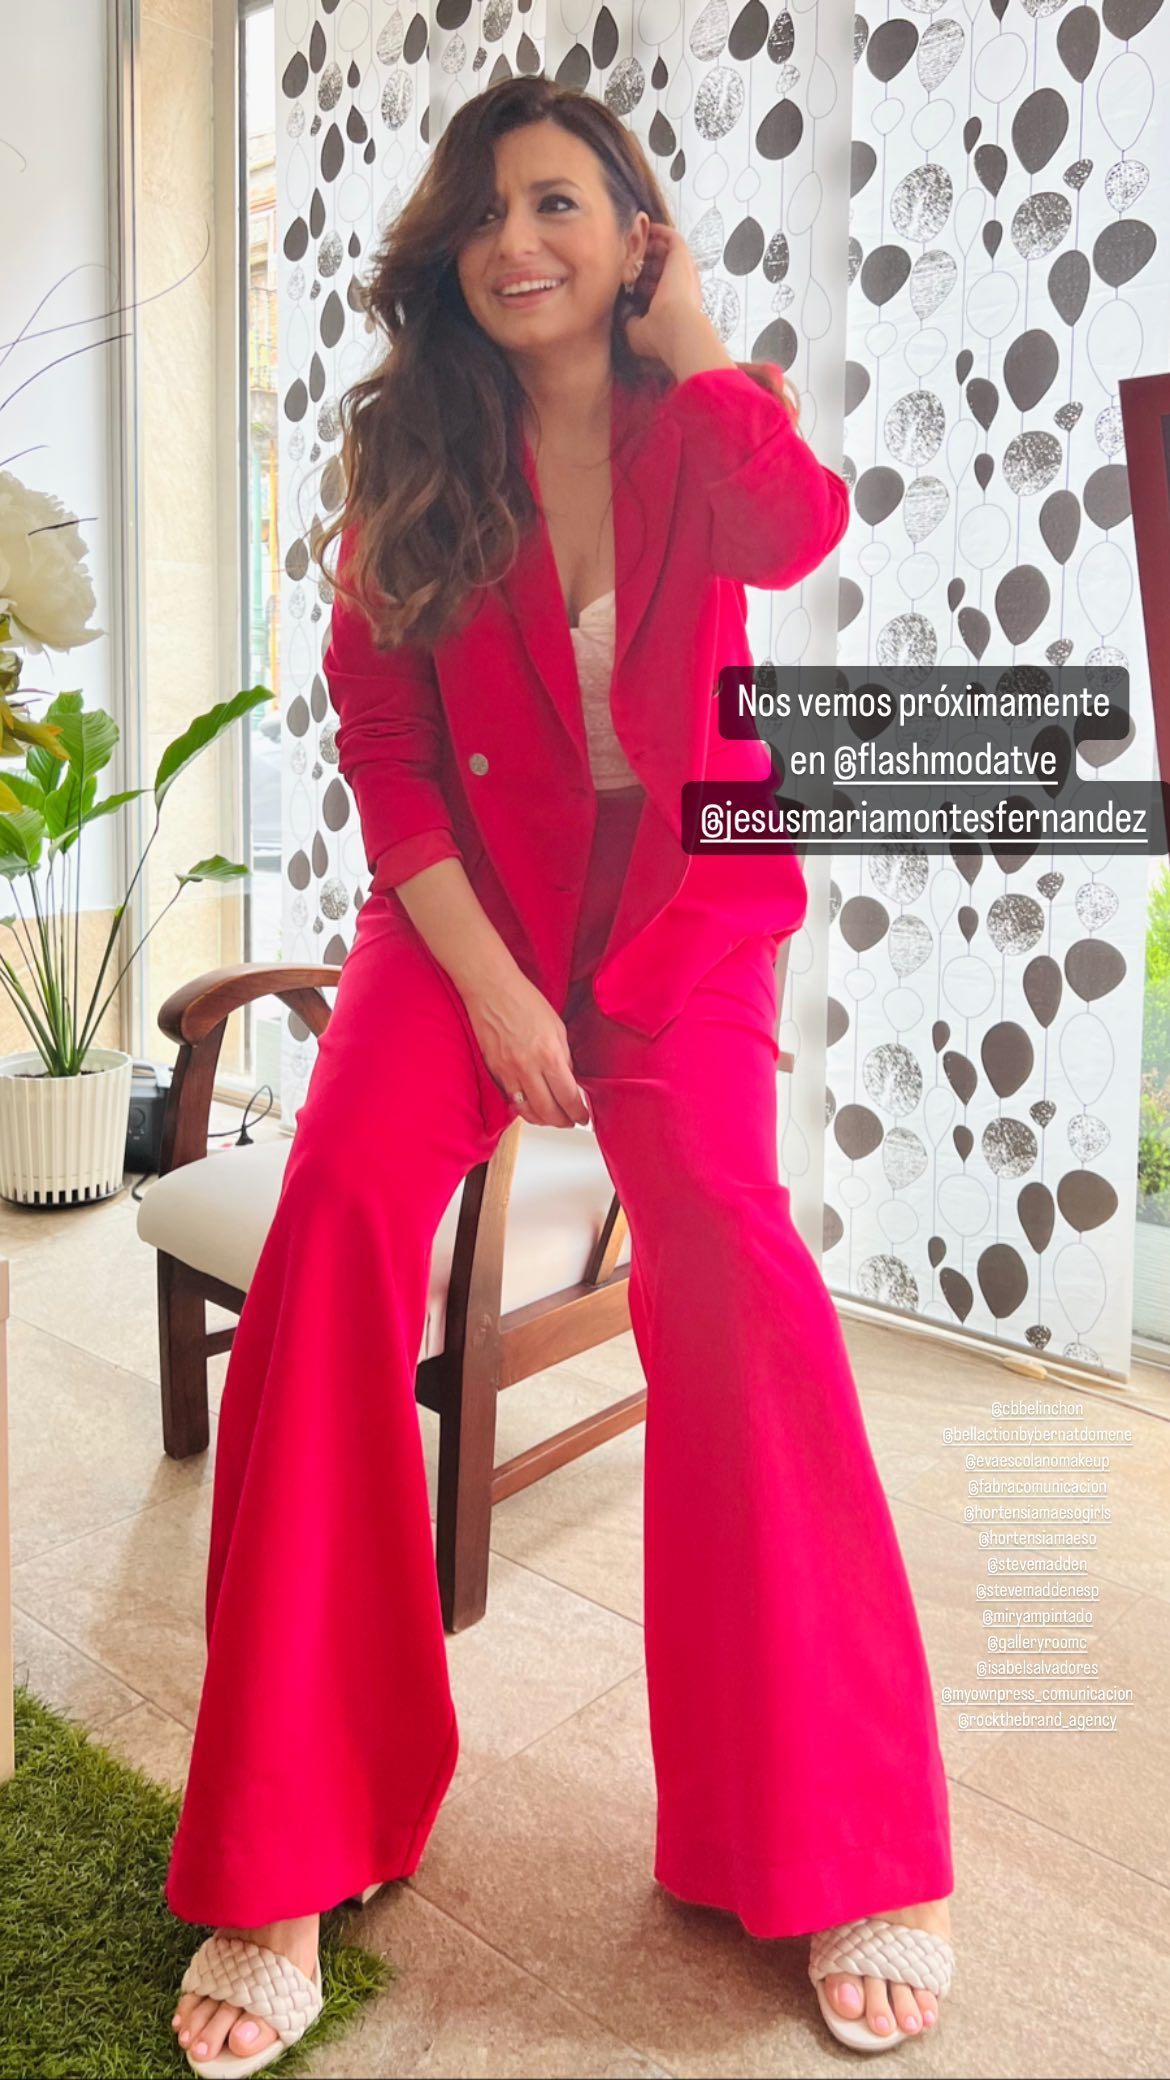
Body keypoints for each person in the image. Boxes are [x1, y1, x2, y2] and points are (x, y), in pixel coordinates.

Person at [168, 73, 954, 2075]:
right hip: (464, 925)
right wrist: (501, 995)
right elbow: (387, 749)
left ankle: (842, 1836)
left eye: (558, 206)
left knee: (738, 1260)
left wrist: (697, 339)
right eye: (484, 214)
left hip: (690, 914)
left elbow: (799, 529)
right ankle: (286, 1842)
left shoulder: (704, 421)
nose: (514, 243)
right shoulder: (410, 447)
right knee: (334, 1224)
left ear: (629, 235)